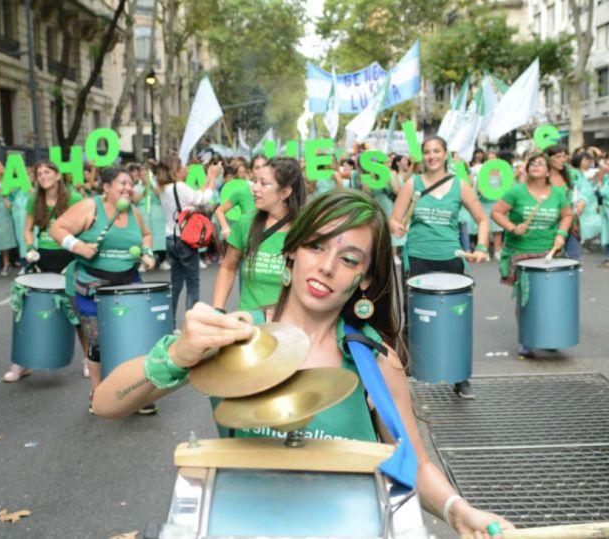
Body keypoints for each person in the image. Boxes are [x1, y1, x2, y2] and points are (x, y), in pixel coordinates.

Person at [92, 190, 514, 538]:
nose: (327, 267)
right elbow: (107, 403)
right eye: (316, 245)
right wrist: (178, 354)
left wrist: (457, 510)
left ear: (363, 280)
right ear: (292, 251)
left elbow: (414, 463)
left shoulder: (373, 361)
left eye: (349, 259)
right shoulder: (233, 335)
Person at [49, 167, 156, 413]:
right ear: (106, 188)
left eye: (131, 184)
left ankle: (136, 394)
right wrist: (77, 246)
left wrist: (147, 254)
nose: (129, 188)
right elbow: (57, 229)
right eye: (122, 183)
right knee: (98, 342)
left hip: (129, 285)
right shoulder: (90, 207)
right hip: (91, 286)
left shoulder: (133, 212)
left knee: (135, 341)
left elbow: (147, 235)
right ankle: (98, 394)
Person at [390, 136, 489, 399]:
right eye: (427, 151)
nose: (432, 155)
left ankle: (460, 377)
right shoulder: (412, 185)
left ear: (445, 154)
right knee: (414, 317)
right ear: (422, 156)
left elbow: (482, 219)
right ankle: (409, 373)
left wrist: (481, 246)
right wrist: (397, 226)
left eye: (436, 151)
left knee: (456, 318)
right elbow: (394, 220)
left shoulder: (461, 186)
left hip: (451, 258)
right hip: (418, 257)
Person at [1, 161, 87, 382]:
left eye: (47, 172)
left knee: (77, 313)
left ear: (58, 175)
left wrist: (78, 255)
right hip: (42, 259)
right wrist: (30, 248)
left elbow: (85, 231)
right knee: (28, 311)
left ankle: (89, 360)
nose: (42, 176)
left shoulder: (74, 199)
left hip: (69, 258)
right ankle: (22, 363)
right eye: (39, 173)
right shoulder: (34, 199)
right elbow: (28, 229)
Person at [491, 153, 573, 359]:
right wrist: (511, 227)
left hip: (549, 253)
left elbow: (567, 215)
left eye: (541, 164)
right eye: (532, 163)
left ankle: (547, 337)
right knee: (526, 299)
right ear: (527, 169)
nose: (536, 166)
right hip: (522, 254)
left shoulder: (557, 194)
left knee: (549, 299)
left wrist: (561, 235)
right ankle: (526, 339)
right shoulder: (516, 193)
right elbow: (496, 212)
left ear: (548, 171)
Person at [212, 157, 306, 313]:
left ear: (284, 192)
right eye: (255, 181)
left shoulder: (305, 230)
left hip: (290, 330)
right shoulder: (246, 223)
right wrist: (218, 309)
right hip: (250, 326)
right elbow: (228, 268)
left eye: (264, 184)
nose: (255, 188)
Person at [159, 156, 218, 316]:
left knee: (176, 283)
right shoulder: (180, 187)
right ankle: (191, 322)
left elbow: (196, 196)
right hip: (185, 239)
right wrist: (212, 177)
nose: (185, 170)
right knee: (193, 283)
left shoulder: (163, 189)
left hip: (171, 238)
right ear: (175, 170)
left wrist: (208, 179)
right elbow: (204, 198)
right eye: (182, 167)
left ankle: (169, 323)